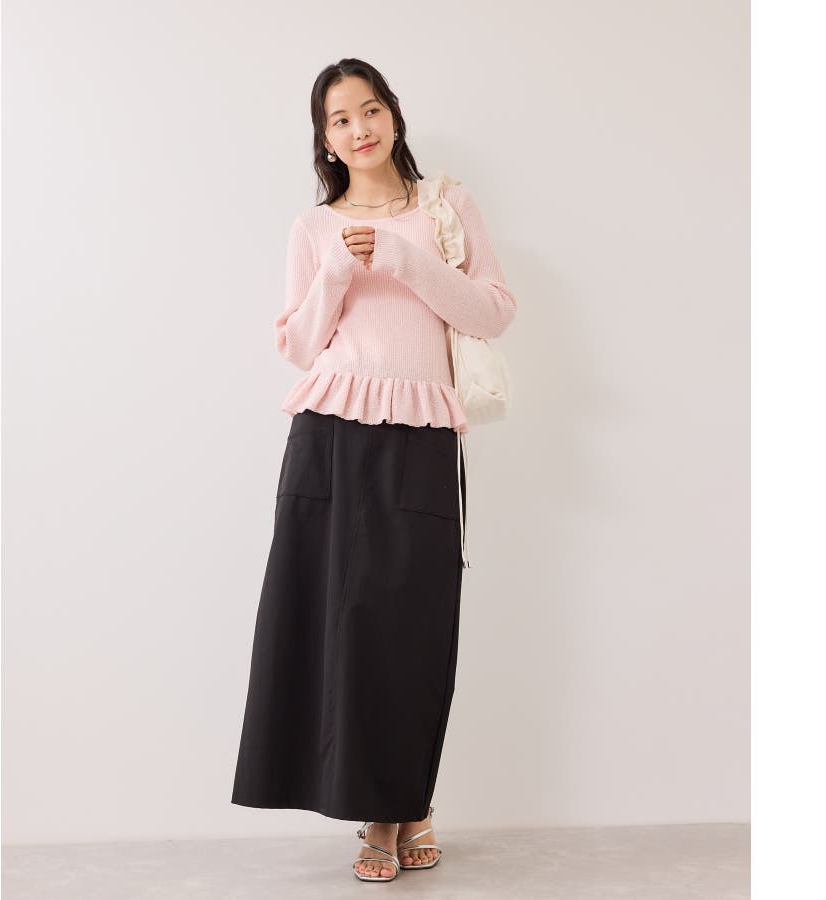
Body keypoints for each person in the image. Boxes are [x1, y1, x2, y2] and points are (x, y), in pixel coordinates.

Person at [231, 57, 517, 882]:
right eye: (339, 119)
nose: (358, 129)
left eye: (369, 110)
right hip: (328, 434)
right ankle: (379, 817)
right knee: (331, 621)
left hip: (422, 434)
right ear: (324, 140)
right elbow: (297, 344)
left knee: (410, 626)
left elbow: (494, 310)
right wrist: (335, 271)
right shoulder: (312, 227)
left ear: (393, 114)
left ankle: (407, 800)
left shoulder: (445, 209)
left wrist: (405, 259)